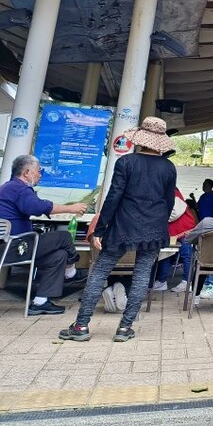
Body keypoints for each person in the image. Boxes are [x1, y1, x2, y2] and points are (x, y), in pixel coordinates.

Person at [58, 117, 176, 343]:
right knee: (142, 274)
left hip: (123, 226)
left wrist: (100, 229)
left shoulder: (126, 163)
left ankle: (81, 326)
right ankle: (125, 328)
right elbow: (169, 203)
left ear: (140, 139)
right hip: (154, 229)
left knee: (100, 270)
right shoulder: (168, 168)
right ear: (160, 141)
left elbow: (113, 198)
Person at [0, 155, 88, 315]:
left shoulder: (8, 187)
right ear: (27, 172)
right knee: (64, 237)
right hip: (16, 247)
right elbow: (37, 207)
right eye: (38, 171)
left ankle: (40, 302)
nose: (40, 175)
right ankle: (71, 272)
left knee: (58, 255)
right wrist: (71, 208)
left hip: (11, 248)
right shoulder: (19, 188)